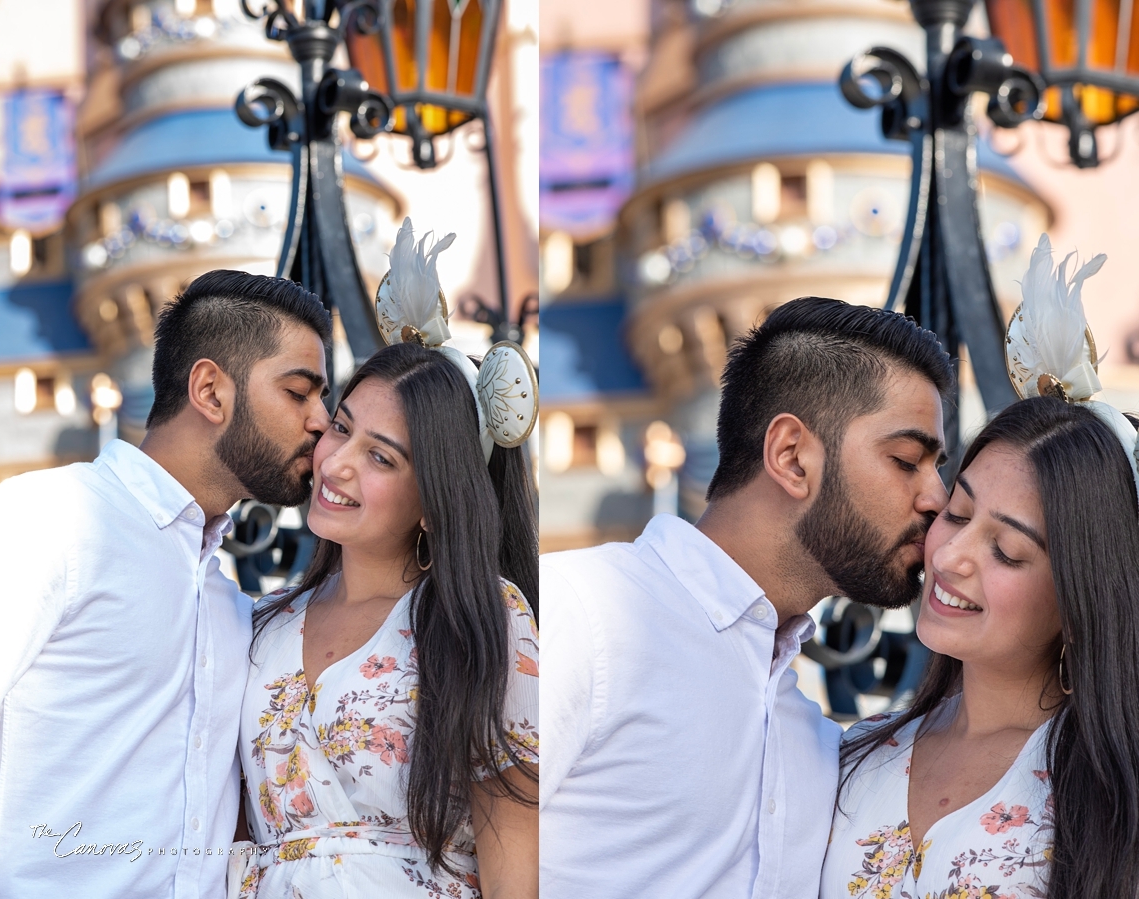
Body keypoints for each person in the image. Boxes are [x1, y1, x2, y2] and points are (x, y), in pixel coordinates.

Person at [540, 296, 955, 898]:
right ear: (791, 456)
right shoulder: (581, 612)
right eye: (906, 460)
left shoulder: (812, 739)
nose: (936, 499)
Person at [0, 270, 332, 899]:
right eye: (298, 392)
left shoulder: (228, 603)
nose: (321, 421)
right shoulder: (46, 519)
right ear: (210, 390)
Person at [822, 236, 1139, 899]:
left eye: (1008, 550)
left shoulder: (1110, 799)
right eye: (959, 514)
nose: (952, 555)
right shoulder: (850, 757)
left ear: (1081, 595)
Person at [233, 221, 539, 899]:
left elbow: (518, 857)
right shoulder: (259, 626)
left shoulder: (478, 618)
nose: (335, 463)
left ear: (434, 499)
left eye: (380, 456)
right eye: (341, 426)